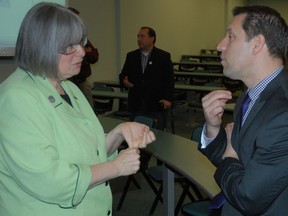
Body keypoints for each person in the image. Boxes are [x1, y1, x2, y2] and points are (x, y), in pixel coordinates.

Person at [0, 3, 156, 216]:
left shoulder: (69, 87)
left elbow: (88, 150)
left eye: (81, 42)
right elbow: (49, 181)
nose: (82, 51)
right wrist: (116, 168)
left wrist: (118, 133)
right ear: (42, 47)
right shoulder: (16, 99)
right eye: (69, 46)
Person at [200, 5, 288, 215]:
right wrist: (213, 129)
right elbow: (239, 162)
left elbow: (247, 197)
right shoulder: (250, 96)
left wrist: (230, 155)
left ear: (257, 43)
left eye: (230, 37)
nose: (219, 45)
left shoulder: (283, 114)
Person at [119, 26, 174, 130]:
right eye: (138, 36)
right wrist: (124, 81)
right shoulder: (131, 56)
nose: (139, 39)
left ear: (152, 38)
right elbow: (123, 75)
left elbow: (169, 80)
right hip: (136, 103)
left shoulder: (163, 56)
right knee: (135, 134)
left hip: (156, 103)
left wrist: (168, 99)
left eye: (142, 36)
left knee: (157, 135)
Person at [68, 7, 99, 109]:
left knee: (88, 109)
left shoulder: (82, 36)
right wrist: (86, 51)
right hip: (67, 81)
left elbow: (95, 56)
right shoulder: (62, 37)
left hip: (82, 81)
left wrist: (86, 53)